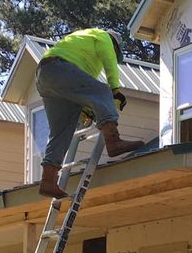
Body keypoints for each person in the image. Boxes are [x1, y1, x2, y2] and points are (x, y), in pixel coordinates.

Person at [35, 27, 144, 198]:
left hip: (45, 75)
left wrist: (88, 109)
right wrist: (115, 90)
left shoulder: (82, 48)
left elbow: (78, 89)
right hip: (59, 67)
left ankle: (48, 180)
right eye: (116, 55)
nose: (114, 58)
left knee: (61, 131)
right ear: (115, 45)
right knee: (103, 91)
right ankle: (113, 141)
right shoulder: (102, 36)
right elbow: (108, 61)